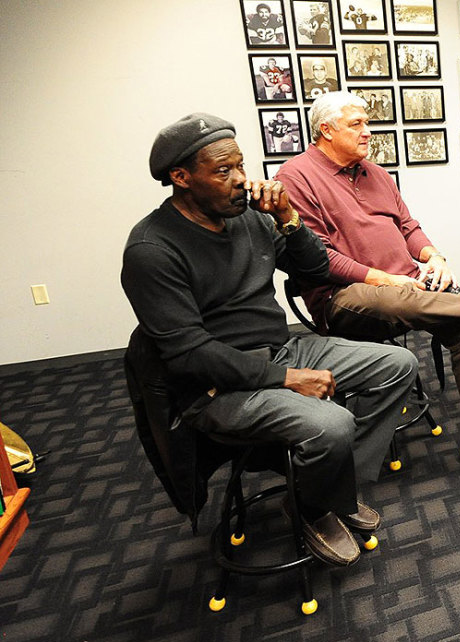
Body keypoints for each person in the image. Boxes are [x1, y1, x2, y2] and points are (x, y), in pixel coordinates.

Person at [123, 113, 417, 567]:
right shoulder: (152, 249)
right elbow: (190, 354)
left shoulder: (251, 219)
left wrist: (288, 218)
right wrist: (285, 378)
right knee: (332, 424)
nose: (241, 180)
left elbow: (316, 271)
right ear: (180, 178)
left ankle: (326, 489)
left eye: (241, 166)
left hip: (278, 350)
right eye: (224, 171)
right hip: (214, 385)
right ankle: (315, 508)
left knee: (397, 365)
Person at [275, 92, 460, 471]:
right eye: (357, 124)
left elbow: (408, 227)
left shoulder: (376, 174)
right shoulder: (296, 177)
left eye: (367, 122)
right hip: (345, 297)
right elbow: (318, 257)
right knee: (397, 298)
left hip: (410, 286)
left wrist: (435, 257)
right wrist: (383, 278)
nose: (368, 131)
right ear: (326, 130)